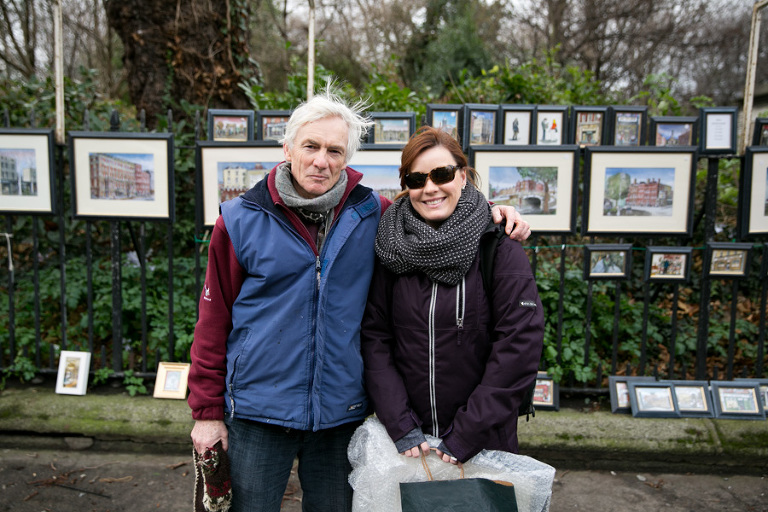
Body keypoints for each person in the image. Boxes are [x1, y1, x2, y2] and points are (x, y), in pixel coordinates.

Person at [187, 90, 532, 512]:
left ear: (348, 157)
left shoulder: (375, 215)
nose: (321, 160)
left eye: (335, 150)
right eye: (311, 146)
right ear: (288, 147)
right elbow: (212, 320)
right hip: (259, 411)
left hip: (339, 415)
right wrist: (206, 412)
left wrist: (494, 211)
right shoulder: (239, 219)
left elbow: (436, 207)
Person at [361, 126, 545, 467]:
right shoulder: (389, 245)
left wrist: (466, 434)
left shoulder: (497, 245)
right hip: (408, 444)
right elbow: (375, 337)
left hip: (482, 442)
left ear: (462, 175)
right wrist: (400, 424)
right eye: (416, 179)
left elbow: (518, 345)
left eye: (442, 174)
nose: (430, 187)